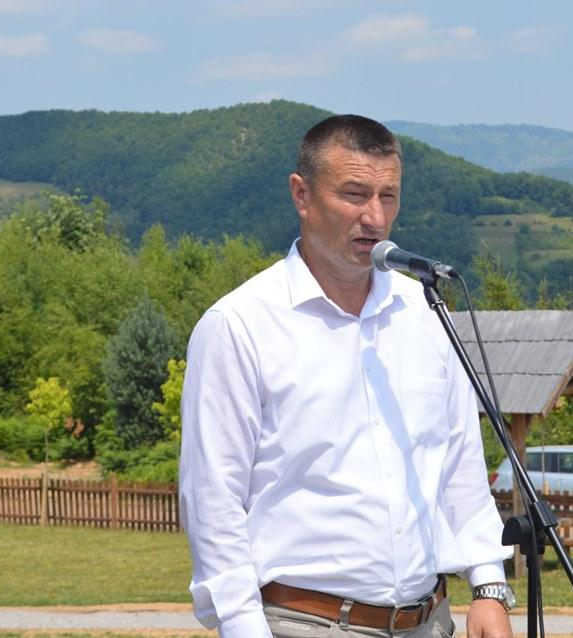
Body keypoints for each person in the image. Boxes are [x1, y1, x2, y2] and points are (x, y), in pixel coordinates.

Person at [179, 114, 514, 638]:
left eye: (388, 197)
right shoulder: (239, 325)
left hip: (431, 621)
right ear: (302, 195)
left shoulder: (425, 313)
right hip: (305, 623)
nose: (374, 217)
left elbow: (460, 464)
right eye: (355, 194)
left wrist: (489, 586)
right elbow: (212, 502)